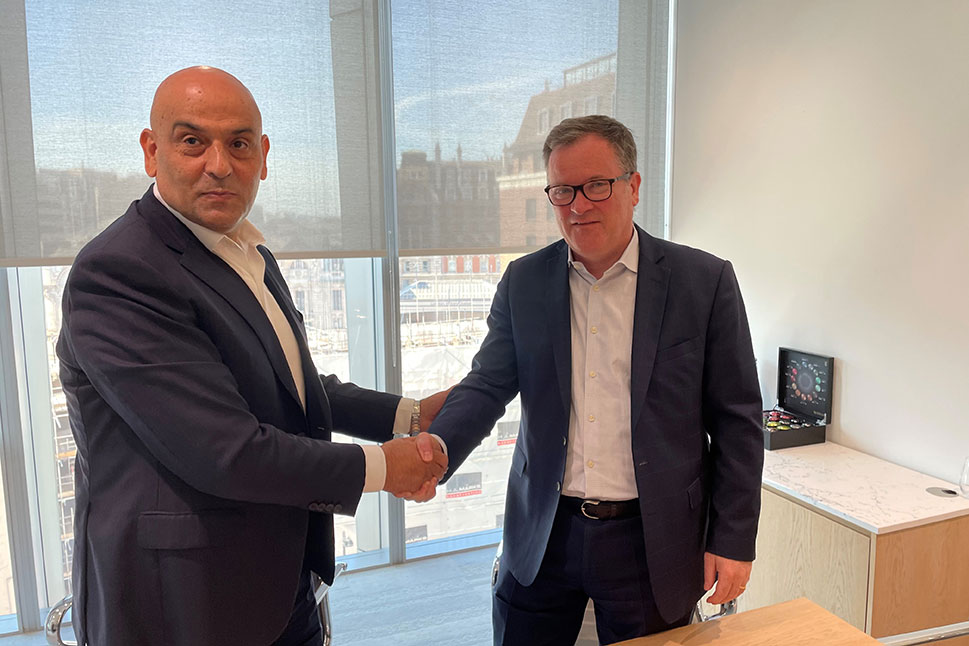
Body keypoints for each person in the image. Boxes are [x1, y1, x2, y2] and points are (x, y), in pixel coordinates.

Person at [56, 66, 447, 646]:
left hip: (279, 581)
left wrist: (407, 415)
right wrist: (387, 467)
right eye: (193, 141)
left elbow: (288, 384)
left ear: (262, 157)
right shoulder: (120, 271)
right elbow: (225, 450)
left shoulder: (245, 248)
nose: (219, 164)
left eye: (239, 144)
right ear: (152, 151)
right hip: (183, 604)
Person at [428, 115, 764, 645]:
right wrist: (436, 451)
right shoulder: (524, 281)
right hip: (544, 531)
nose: (578, 206)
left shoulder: (704, 282)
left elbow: (738, 422)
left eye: (596, 186)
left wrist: (734, 538)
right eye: (562, 191)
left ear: (633, 186)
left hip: (651, 537)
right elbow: (488, 384)